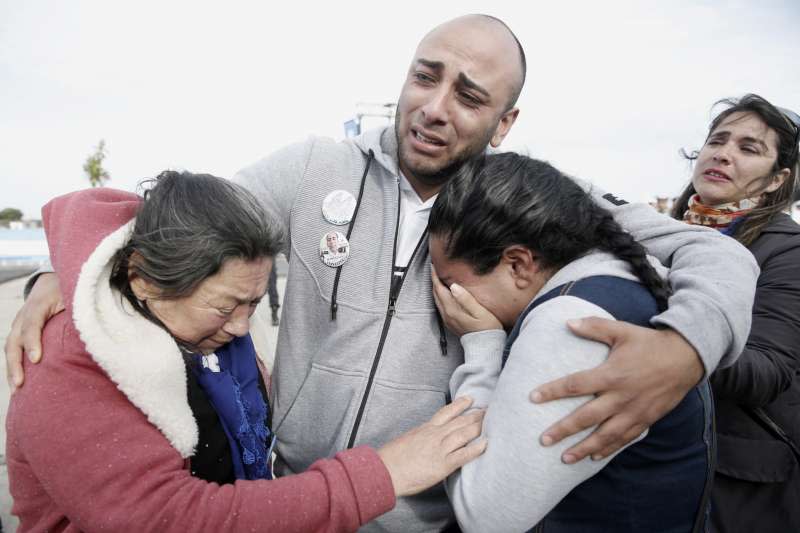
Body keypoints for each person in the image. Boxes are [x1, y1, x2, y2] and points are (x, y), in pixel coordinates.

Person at [5, 15, 759, 531]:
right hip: (292, 502)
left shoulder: (532, 201)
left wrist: (688, 346)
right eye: (425, 76)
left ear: (505, 124)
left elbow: (718, 253)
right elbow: (173, 217)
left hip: (430, 515)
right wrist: (64, 271)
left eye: (469, 95)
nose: (433, 107)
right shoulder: (311, 168)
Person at [6, 172, 485, 532]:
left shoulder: (196, 327)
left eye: (253, 304)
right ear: (142, 279)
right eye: (224, 307)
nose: (241, 327)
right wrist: (381, 474)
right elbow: (168, 519)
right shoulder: (67, 364)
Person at [428, 152, 713, 532]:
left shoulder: (572, 325)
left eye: (451, 283)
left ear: (518, 264)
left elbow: (484, 515)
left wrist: (481, 344)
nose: (447, 298)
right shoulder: (619, 278)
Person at [670, 94, 800, 532]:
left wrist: (666, 346)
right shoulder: (666, 233)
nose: (723, 153)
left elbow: (768, 369)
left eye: (748, 148)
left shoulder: (787, 250)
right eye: (717, 140)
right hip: (654, 459)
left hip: (732, 481)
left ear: (774, 180)